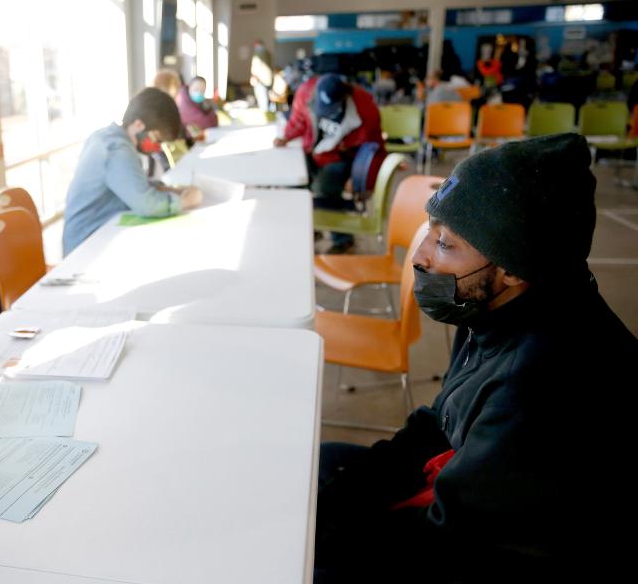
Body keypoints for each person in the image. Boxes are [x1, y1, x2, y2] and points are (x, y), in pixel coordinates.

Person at [313, 133, 637, 582]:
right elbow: (440, 421)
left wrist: (323, 536)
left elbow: (455, 546)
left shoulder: (541, 384)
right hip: (479, 492)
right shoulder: (492, 305)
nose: (420, 256)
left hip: (505, 548)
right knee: (326, 469)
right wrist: (339, 500)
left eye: (445, 244)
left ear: (513, 267)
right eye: (431, 229)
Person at [63, 88, 202, 255]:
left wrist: (169, 189)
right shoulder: (116, 150)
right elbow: (147, 204)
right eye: (156, 139)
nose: (157, 147)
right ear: (138, 125)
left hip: (95, 234)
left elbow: (131, 183)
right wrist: (185, 201)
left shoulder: (105, 137)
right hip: (86, 246)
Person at [274, 73, 385, 254]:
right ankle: (310, 227)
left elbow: (374, 147)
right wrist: (286, 137)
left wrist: (360, 179)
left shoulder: (364, 105)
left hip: (343, 156)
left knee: (324, 187)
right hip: (314, 150)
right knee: (294, 182)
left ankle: (343, 239)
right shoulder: (304, 93)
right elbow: (299, 120)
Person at [250, 39, 273, 110]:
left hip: (261, 81)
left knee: (263, 102)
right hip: (266, 81)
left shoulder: (259, 54)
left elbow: (255, 68)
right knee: (265, 100)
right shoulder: (267, 53)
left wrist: (253, 78)